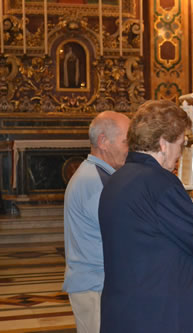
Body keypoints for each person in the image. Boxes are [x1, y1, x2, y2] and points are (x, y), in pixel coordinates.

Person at [98, 100, 193, 333]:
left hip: (125, 308)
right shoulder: (160, 181)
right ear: (164, 144)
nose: (180, 152)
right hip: (159, 314)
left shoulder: (118, 178)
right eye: (181, 144)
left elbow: (152, 228)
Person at [62, 111, 130, 333]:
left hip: (99, 283)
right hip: (94, 286)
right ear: (103, 141)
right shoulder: (93, 180)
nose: (130, 148)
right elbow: (119, 233)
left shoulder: (101, 176)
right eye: (126, 141)